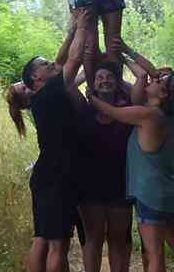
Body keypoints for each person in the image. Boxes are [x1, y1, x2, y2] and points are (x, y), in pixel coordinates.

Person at [86, 46, 174, 272]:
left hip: (151, 194)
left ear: (162, 94)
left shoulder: (146, 115)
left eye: (157, 82)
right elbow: (144, 75)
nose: (152, 80)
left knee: (155, 255)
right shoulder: (167, 115)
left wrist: (91, 98)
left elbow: (112, 112)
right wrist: (124, 54)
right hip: (171, 191)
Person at [16, 10, 94, 272]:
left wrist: (73, 30)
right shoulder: (48, 92)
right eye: (45, 65)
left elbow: (63, 61)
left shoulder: (46, 94)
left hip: (49, 176)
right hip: (54, 177)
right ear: (36, 78)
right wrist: (81, 27)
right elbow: (71, 60)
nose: (51, 65)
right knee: (57, 246)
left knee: (44, 240)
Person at [73, 58, 146, 272]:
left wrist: (118, 75)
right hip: (88, 187)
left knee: (119, 241)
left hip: (120, 184)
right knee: (93, 240)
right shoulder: (83, 109)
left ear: (119, 81)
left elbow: (140, 81)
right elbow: (67, 85)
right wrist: (88, 74)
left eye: (109, 77)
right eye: (100, 78)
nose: (105, 81)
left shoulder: (128, 109)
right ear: (92, 83)